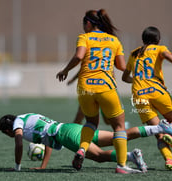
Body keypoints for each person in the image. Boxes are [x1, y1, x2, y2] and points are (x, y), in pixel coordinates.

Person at [56, 9, 135, 173]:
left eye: (83, 23)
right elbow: (121, 66)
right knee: (119, 126)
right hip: (106, 87)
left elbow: (79, 57)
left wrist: (65, 70)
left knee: (91, 123)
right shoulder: (114, 40)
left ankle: (82, 149)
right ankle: (121, 165)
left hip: (85, 88)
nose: (83, 27)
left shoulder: (84, 38)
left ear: (89, 23)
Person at [122, 26, 172, 171]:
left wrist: (137, 81)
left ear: (143, 39)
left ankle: (170, 160)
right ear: (158, 39)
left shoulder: (134, 53)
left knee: (158, 132)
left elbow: (124, 77)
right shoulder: (159, 49)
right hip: (156, 90)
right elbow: (168, 56)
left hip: (139, 95)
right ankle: (171, 132)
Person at [0, 112, 172, 172]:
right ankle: (159, 128)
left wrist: (17, 166)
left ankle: (131, 156)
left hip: (67, 135)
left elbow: (19, 143)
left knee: (100, 157)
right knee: (117, 136)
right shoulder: (28, 117)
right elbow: (47, 140)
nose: (11, 135)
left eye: (7, 134)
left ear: (7, 129)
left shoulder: (18, 124)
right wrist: (43, 167)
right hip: (71, 128)